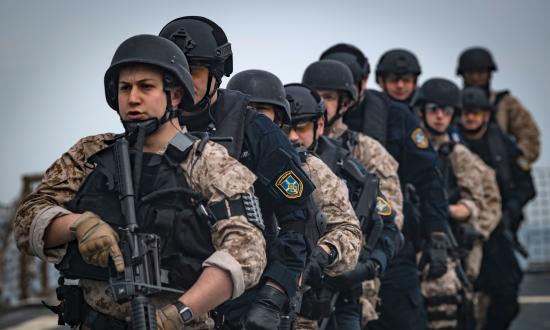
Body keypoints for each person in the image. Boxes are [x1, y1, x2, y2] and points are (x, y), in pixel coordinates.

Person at [13, 34, 267, 329]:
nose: (133, 98)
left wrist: (178, 314)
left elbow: (247, 252)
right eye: (125, 88)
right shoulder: (90, 154)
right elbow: (27, 219)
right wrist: (77, 225)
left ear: (174, 95)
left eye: (146, 87)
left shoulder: (209, 162)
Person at [159, 17, 316, 328]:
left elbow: (298, 221)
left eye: (193, 72)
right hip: (168, 293)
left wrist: (273, 295)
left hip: (244, 293)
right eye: (171, 75)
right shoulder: (149, 131)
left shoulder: (257, 131)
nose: (182, 84)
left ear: (216, 74)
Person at [227, 70, 363, 330]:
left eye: (261, 111)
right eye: (246, 109)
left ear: (278, 119)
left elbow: (349, 232)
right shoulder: (212, 160)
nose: (252, 118)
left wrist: (323, 254)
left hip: (286, 304)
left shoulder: (308, 167)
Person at [284, 82, 401, 330]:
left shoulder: (348, 169)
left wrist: (367, 267)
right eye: (286, 127)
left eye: (302, 127)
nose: (293, 136)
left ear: (320, 126)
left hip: (339, 296)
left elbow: (390, 228)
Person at [413, 78, 502, 329]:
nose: (440, 116)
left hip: (447, 242)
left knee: (449, 311)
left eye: (447, 111)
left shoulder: (457, 154)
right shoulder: (409, 148)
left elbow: (473, 204)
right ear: (422, 111)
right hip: (412, 238)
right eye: (434, 109)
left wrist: (442, 210)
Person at [458, 86, 536, 330]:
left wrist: (510, 210)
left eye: (476, 112)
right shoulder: (451, 142)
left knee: (507, 297)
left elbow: (526, 185)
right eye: (466, 112)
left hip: (498, 231)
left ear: (487, 115)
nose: (470, 117)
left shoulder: (502, 143)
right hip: (462, 231)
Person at [456, 47, 540, 163]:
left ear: (489, 74)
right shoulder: (452, 102)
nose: (475, 77)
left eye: (480, 72)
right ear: (463, 75)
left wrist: (512, 159)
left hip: (499, 171)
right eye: (470, 72)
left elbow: (530, 136)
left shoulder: (506, 103)